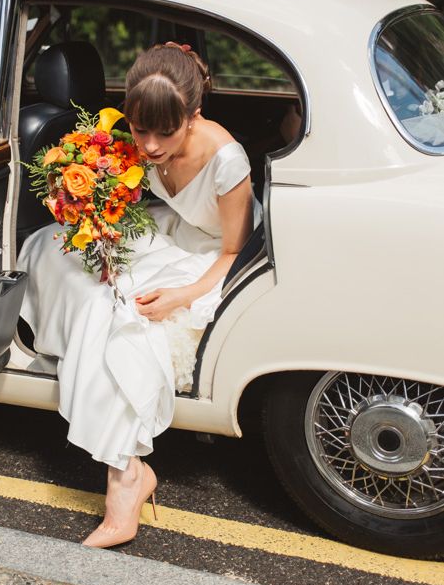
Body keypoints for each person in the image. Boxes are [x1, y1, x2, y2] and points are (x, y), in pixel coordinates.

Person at [17, 42, 262, 549]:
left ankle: (124, 480)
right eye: (139, 129)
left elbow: (236, 251)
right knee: (52, 244)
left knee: (125, 319)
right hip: (171, 230)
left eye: (164, 133)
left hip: (215, 254)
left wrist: (183, 295)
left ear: (192, 117)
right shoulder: (135, 137)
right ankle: (128, 467)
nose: (149, 146)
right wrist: (86, 201)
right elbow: (124, 185)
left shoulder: (227, 160)